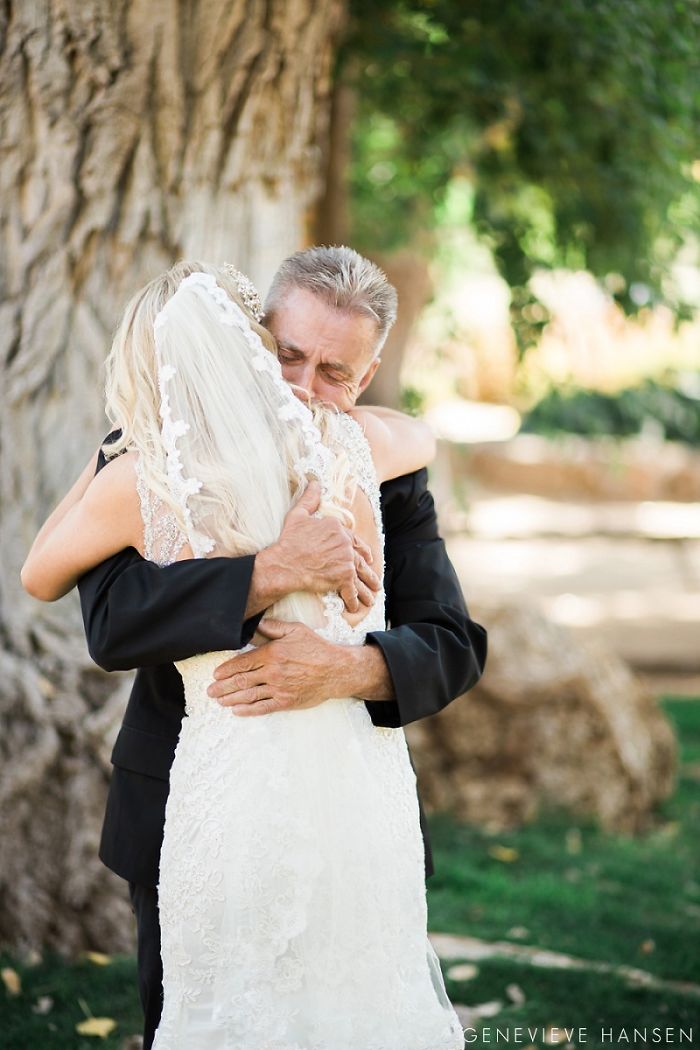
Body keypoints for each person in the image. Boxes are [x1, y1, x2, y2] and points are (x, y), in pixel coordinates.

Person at [21, 260, 474, 1048]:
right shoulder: (158, 461)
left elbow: (452, 643)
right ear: (252, 339)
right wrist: (267, 573)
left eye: (334, 372)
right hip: (193, 804)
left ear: (367, 376)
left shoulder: (376, 463)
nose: (301, 387)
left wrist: (347, 669)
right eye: (287, 355)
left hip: (353, 809)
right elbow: (114, 625)